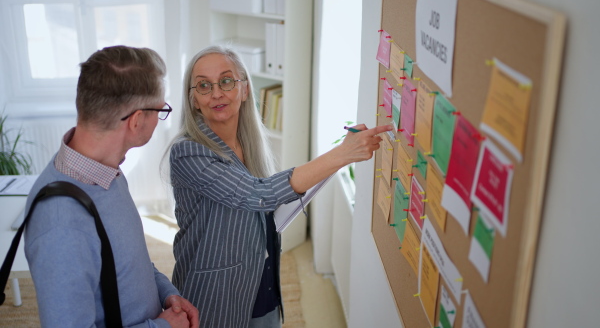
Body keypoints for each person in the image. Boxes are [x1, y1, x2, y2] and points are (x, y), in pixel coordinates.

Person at [168, 45, 392, 327]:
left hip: (261, 279)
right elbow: (258, 194)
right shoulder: (188, 152)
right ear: (193, 100)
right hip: (214, 292)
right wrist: (342, 154)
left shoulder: (249, 144)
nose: (216, 93)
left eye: (226, 81)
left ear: (244, 90)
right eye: (203, 86)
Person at [24, 46, 199, 328]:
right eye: (161, 109)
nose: (160, 117)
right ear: (137, 120)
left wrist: (166, 294)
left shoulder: (107, 171)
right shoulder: (61, 227)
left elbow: (126, 262)